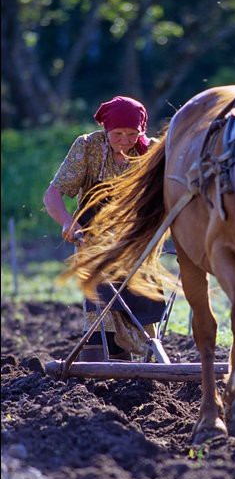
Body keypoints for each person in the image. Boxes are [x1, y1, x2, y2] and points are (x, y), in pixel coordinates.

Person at [43, 96, 166, 361]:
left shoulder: (152, 153)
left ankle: (143, 369)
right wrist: (67, 221)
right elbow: (53, 195)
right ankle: (99, 366)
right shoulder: (88, 147)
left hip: (136, 240)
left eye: (132, 134)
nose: (124, 140)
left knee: (142, 305)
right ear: (105, 130)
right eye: (118, 134)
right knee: (101, 307)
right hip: (94, 238)